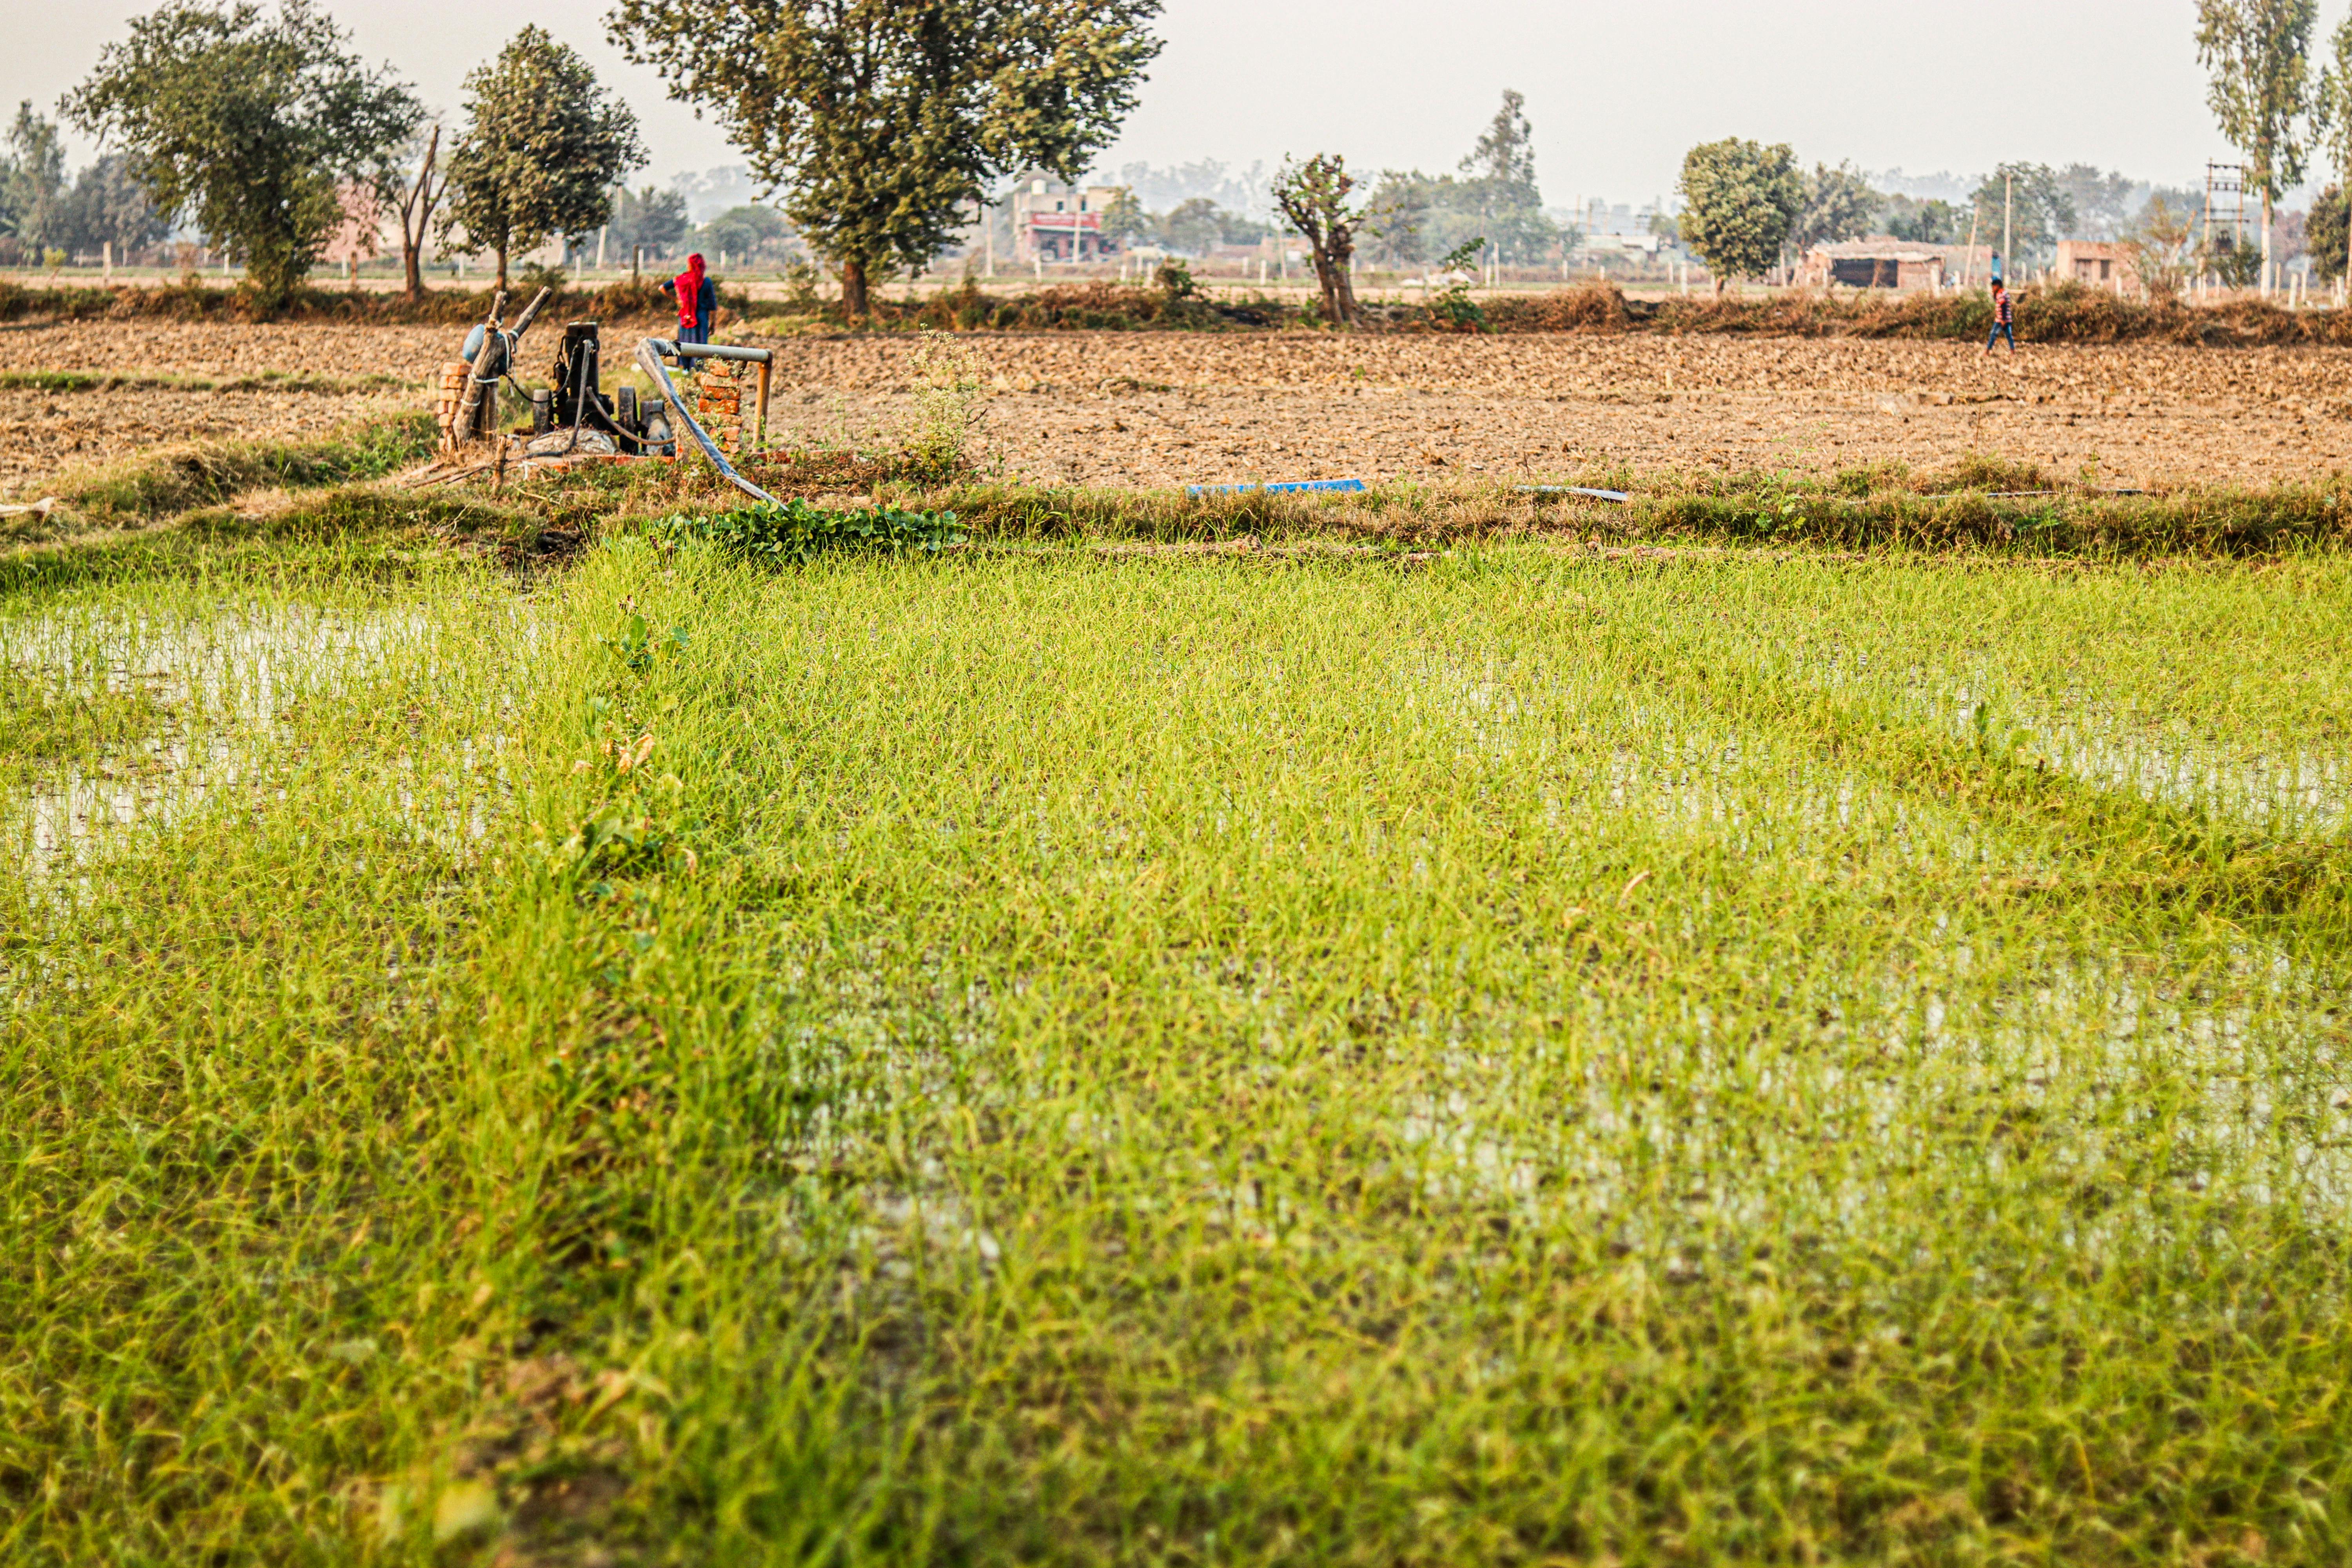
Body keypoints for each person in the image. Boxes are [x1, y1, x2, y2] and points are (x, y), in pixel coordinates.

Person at [661, 253, 717, 345]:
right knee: (700, 349)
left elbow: (662, 288)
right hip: (701, 319)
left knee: (684, 347)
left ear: (691, 265)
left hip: (685, 318)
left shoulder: (681, 279)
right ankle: (698, 361)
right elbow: (713, 306)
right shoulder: (707, 282)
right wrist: (713, 324)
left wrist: (677, 300)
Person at [1985, 276, 2016, 354]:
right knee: (2009, 336)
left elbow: (2004, 307)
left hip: (2001, 320)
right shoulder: (2005, 293)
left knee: (1993, 334)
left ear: (1998, 285)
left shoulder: (2001, 294)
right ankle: (2013, 351)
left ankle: (1987, 351)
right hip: (2007, 319)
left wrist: (2003, 320)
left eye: (1994, 286)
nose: (1993, 288)